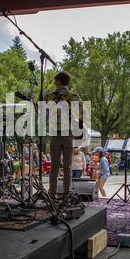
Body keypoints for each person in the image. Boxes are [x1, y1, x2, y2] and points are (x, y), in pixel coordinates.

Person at [44, 71, 83, 201]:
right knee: (67, 166)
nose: (54, 83)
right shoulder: (74, 96)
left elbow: (43, 114)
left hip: (55, 134)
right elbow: (82, 115)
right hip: (69, 134)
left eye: (55, 81)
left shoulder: (50, 97)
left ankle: (52, 194)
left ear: (59, 81)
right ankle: (67, 194)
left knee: (54, 166)